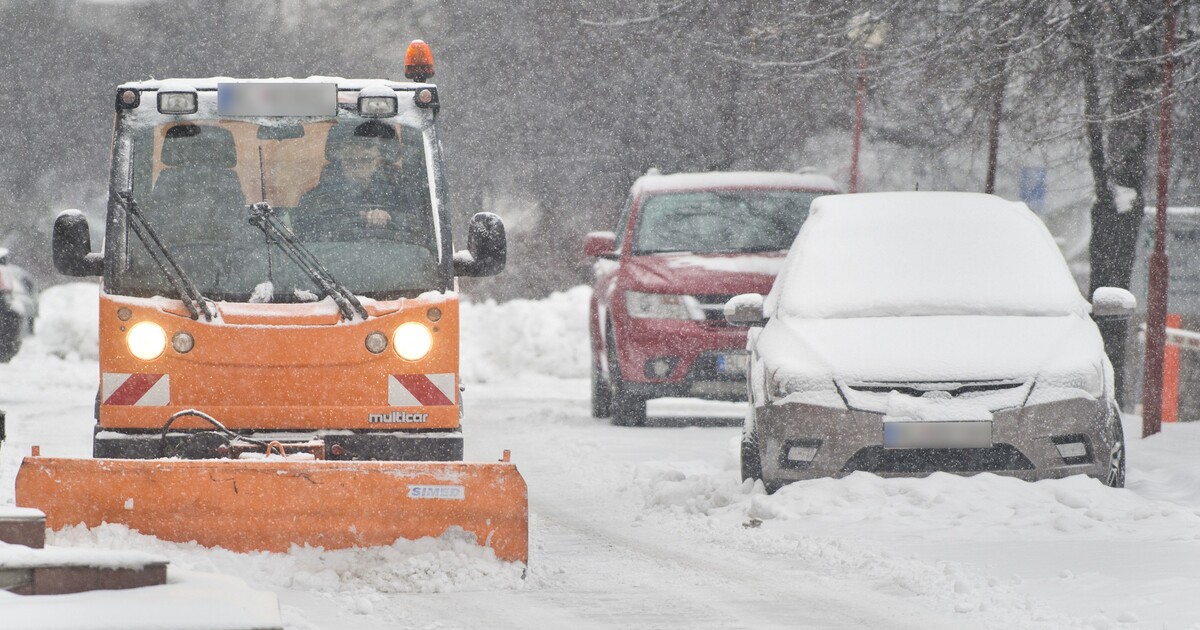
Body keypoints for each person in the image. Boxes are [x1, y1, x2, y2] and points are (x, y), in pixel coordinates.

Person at [296, 121, 426, 241]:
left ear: (379, 162)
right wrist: (350, 218)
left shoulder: (402, 194)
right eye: (350, 160)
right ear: (340, 160)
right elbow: (307, 236)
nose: (356, 167)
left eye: (365, 160)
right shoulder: (316, 198)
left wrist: (390, 217)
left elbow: (420, 230)